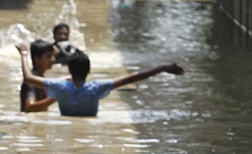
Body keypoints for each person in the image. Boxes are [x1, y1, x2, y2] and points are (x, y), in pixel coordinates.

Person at [17, 45, 185, 118]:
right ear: (88, 71)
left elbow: (29, 78)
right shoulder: (96, 87)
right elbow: (133, 77)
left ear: (70, 70)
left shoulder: (60, 87)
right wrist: (162, 68)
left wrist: (24, 54)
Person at [20, 40, 58, 113]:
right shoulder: (31, 82)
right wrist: (55, 97)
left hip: (38, 122)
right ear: (37, 59)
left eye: (53, 55)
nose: (53, 59)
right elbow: (29, 107)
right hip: (30, 123)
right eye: (49, 56)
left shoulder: (39, 76)